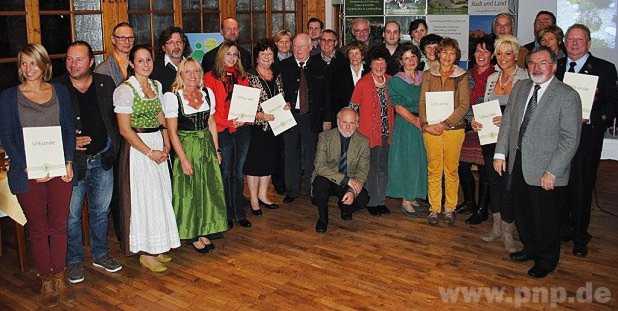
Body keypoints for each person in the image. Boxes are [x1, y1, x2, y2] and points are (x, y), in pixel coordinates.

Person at [494, 46, 581, 278]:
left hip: (546, 169)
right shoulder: (521, 87)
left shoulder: (567, 95)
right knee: (523, 212)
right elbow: (508, 122)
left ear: (553, 66)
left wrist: (553, 171)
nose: (536, 67)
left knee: (546, 217)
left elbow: (570, 139)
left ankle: (547, 259)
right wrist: (500, 153)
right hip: (518, 162)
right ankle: (530, 248)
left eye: (542, 63)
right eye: (532, 63)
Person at [0, 44, 75, 306]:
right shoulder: (9, 97)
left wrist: (68, 161)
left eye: (33, 62)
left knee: (59, 223)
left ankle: (60, 274)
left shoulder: (60, 92)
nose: (28, 68)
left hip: (59, 170)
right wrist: (30, 165)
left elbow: (67, 130)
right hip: (26, 172)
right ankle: (46, 277)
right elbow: (6, 136)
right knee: (38, 227)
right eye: (23, 63)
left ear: (44, 64)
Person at [55, 41, 122, 284]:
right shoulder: (58, 88)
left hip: (103, 159)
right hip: (74, 164)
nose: (73, 64)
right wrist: (68, 142)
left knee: (100, 212)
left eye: (79, 59)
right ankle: (74, 262)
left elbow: (116, 118)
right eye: (69, 59)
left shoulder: (106, 84)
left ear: (91, 62)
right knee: (71, 216)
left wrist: (113, 148)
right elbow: (51, 124)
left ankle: (101, 255)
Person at [113, 45, 180, 272]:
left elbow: (160, 116)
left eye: (149, 60)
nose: (145, 64)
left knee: (160, 195)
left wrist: (167, 142)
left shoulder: (156, 85)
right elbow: (124, 129)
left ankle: (158, 245)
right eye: (140, 61)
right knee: (144, 199)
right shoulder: (125, 90)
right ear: (131, 64)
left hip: (157, 144)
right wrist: (149, 152)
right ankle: (145, 251)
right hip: (138, 150)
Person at [557, 24, 618, 257]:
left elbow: (612, 105)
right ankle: (563, 229)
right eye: (570, 39)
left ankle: (580, 237)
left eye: (579, 40)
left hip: (586, 139)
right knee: (559, 186)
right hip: (558, 139)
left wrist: (590, 118)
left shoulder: (605, 68)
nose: (573, 43)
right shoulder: (557, 66)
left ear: (589, 43)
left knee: (581, 189)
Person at [162, 58, 227, 253]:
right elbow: (172, 131)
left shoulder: (207, 93)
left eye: (196, 72)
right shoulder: (173, 97)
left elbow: (212, 123)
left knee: (207, 188)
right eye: (188, 72)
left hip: (206, 146)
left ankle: (205, 228)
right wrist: (182, 158)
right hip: (187, 146)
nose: (193, 76)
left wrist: (217, 150)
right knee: (189, 191)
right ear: (180, 74)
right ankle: (193, 233)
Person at [473, 35, 528, 252]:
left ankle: (508, 232)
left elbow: (527, 112)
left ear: (516, 55)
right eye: (500, 53)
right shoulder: (491, 79)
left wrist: (508, 120)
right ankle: (496, 227)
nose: (503, 57)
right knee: (493, 182)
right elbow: (485, 106)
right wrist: (477, 121)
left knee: (508, 186)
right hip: (489, 139)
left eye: (508, 53)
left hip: (512, 141)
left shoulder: (524, 78)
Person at [419, 38, 469, 225]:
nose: (447, 56)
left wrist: (446, 124)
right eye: (444, 52)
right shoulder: (427, 74)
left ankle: (450, 208)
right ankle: (434, 209)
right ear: (438, 53)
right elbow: (423, 101)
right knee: (433, 169)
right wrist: (425, 124)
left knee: (451, 170)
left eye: (452, 53)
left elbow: (464, 105)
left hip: (454, 130)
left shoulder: (462, 76)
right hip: (430, 129)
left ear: (456, 56)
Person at [203, 41, 252, 229]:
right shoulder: (210, 78)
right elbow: (211, 112)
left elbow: (247, 103)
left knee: (238, 173)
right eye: (228, 54)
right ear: (221, 56)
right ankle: (226, 213)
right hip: (221, 130)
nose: (232, 58)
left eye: (235, 54)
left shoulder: (243, 77)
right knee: (225, 172)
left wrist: (244, 118)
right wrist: (229, 122)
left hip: (242, 129)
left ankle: (239, 212)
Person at [95, 22, 134, 244]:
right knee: (120, 189)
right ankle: (124, 235)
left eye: (130, 38)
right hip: (116, 137)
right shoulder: (102, 70)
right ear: (112, 39)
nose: (126, 42)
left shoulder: (139, 64)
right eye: (122, 37)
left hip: (137, 133)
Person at [279, 33, 327, 203]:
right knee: (290, 153)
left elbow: (325, 95)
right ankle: (292, 190)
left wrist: (326, 118)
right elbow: (277, 91)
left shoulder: (320, 66)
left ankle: (309, 188)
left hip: (311, 117)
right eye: (296, 46)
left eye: (302, 46)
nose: (299, 49)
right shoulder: (283, 66)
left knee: (310, 154)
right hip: (289, 117)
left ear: (310, 47)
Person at [455, 35, 495, 224]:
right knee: (461, 164)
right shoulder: (466, 76)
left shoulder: (497, 75)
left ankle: (482, 207)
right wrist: (471, 121)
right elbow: (462, 103)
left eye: (485, 50)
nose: (481, 54)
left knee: (484, 167)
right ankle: (470, 201)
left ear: (492, 54)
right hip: (470, 127)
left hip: (490, 129)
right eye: (478, 50)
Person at [350, 47, 394, 216]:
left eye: (382, 61)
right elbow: (353, 107)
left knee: (383, 167)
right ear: (370, 63)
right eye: (376, 62)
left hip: (387, 133)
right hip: (367, 134)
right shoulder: (363, 83)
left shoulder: (391, 81)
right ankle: (371, 201)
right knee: (370, 168)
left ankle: (381, 200)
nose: (379, 65)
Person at [385, 43, 427, 217]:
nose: (410, 61)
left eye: (413, 57)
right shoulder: (396, 80)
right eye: (406, 58)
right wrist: (415, 120)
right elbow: (398, 106)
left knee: (421, 160)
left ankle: (414, 194)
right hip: (407, 124)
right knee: (408, 161)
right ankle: (406, 200)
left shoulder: (425, 77)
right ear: (401, 61)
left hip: (424, 122)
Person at [312, 108, 370, 233]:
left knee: (363, 199)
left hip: (348, 182)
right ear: (338, 121)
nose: (348, 127)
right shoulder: (325, 137)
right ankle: (323, 219)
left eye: (352, 123)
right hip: (328, 178)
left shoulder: (363, 142)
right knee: (319, 184)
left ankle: (345, 208)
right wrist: (345, 180)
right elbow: (319, 166)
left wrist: (352, 192)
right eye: (344, 122)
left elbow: (362, 171)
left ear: (357, 124)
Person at [244, 39, 284, 215]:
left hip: (274, 126)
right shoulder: (248, 76)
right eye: (263, 54)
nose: (267, 57)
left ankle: (263, 194)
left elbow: (280, 97)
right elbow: (243, 108)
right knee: (254, 164)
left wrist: (285, 106)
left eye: (270, 53)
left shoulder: (277, 74)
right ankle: (253, 199)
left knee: (268, 162)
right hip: (256, 128)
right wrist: (261, 115)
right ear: (257, 57)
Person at [330, 42, 368, 124]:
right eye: (351, 53)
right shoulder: (339, 73)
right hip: (346, 118)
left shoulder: (370, 72)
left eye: (357, 53)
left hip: (366, 116)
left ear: (362, 56)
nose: (354, 56)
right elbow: (335, 98)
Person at [151, 26, 192, 93]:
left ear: (184, 45)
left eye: (179, 42)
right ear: (163, 47)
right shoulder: (155, 69)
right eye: (171, 43)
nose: (176, 46)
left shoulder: (192, 66)